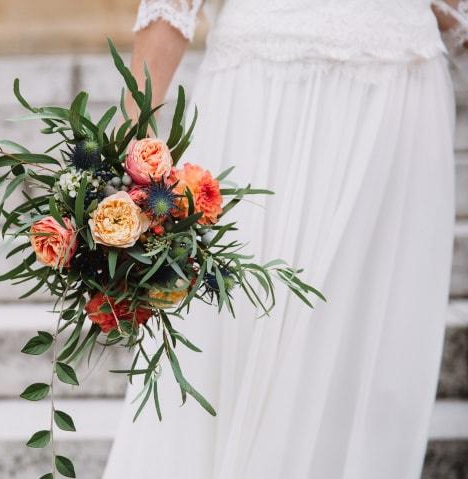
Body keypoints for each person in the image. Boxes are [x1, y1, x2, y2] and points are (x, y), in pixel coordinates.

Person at [104, 1, 459, 477]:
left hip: (400, 90)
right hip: (264, 97)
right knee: (244, 328)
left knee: (371, 351)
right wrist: (134, 142)